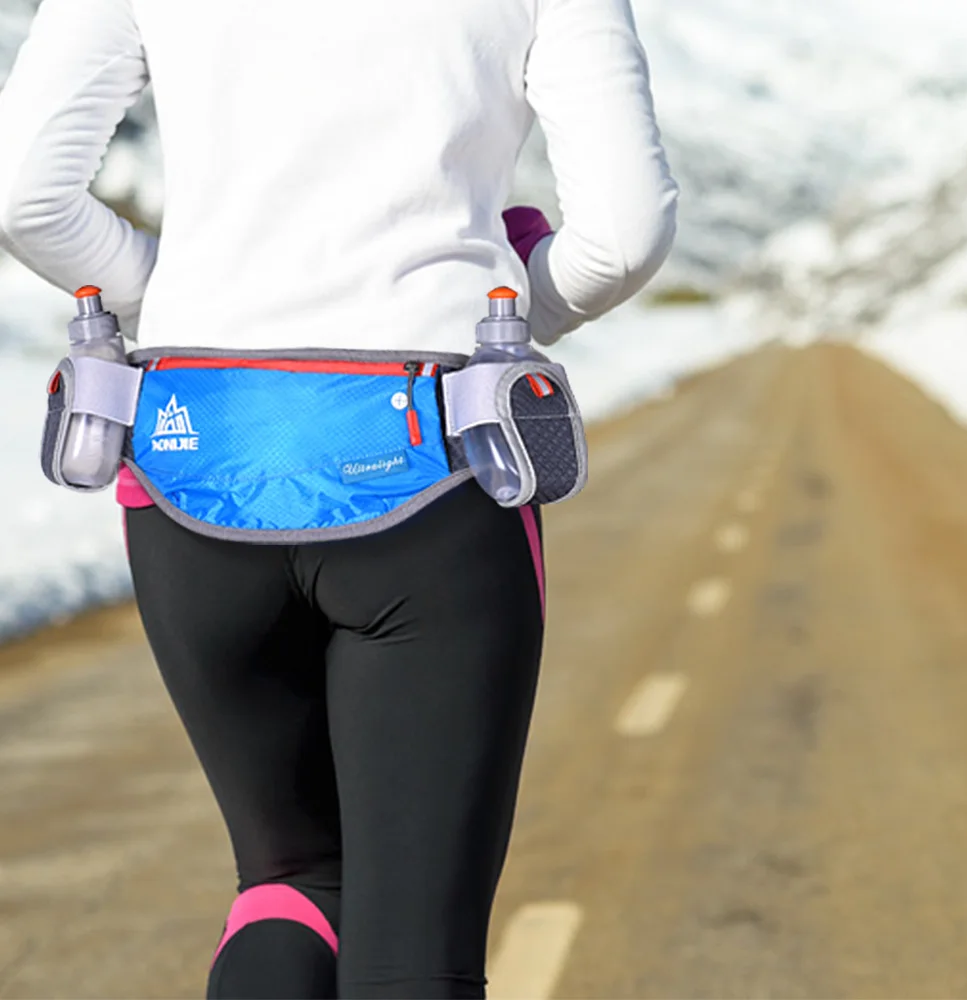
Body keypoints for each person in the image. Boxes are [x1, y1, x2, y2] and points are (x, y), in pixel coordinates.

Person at [0, 0, 678, 996]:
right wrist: (513, 302)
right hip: (432, 462)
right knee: (414, 953)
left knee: (288, 880)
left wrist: (177, 301)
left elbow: (25, 196)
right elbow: (624, 235)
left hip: (194, 456)